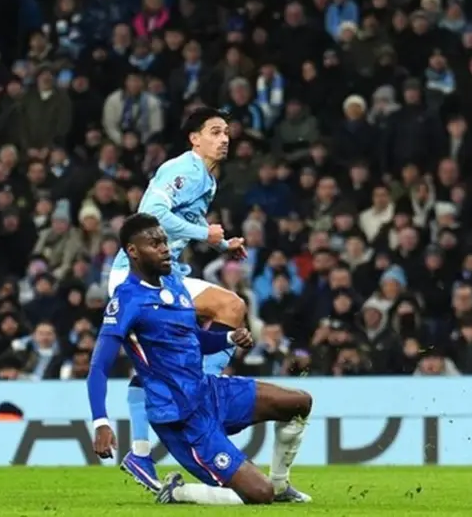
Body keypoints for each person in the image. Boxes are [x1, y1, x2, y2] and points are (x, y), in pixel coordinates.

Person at [88, 213, 312, 505]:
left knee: (299, 403)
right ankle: (176, 492)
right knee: (260, 493)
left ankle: (281, 485)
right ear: (133, 251)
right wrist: (101, 422)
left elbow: (194, 340)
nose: (165, 249)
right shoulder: (126, 301)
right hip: (181, 418)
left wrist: (229, 338)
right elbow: (98, 366)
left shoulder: (174, 285)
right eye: (155, 244)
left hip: (208, 391)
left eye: (165, 242)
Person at [106, 107, 248, 489]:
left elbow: (185, 226)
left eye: (226, 132)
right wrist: (206, 235)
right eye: (215, 131)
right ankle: (200, 399)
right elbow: (150, 214)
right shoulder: (184, 169)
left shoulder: (207, 179)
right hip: (136, 280)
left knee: (230, 308)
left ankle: (142, 453)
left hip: (168, 277)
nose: (224, 138)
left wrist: (222, 244)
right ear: (194, 139)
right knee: (226, 309)